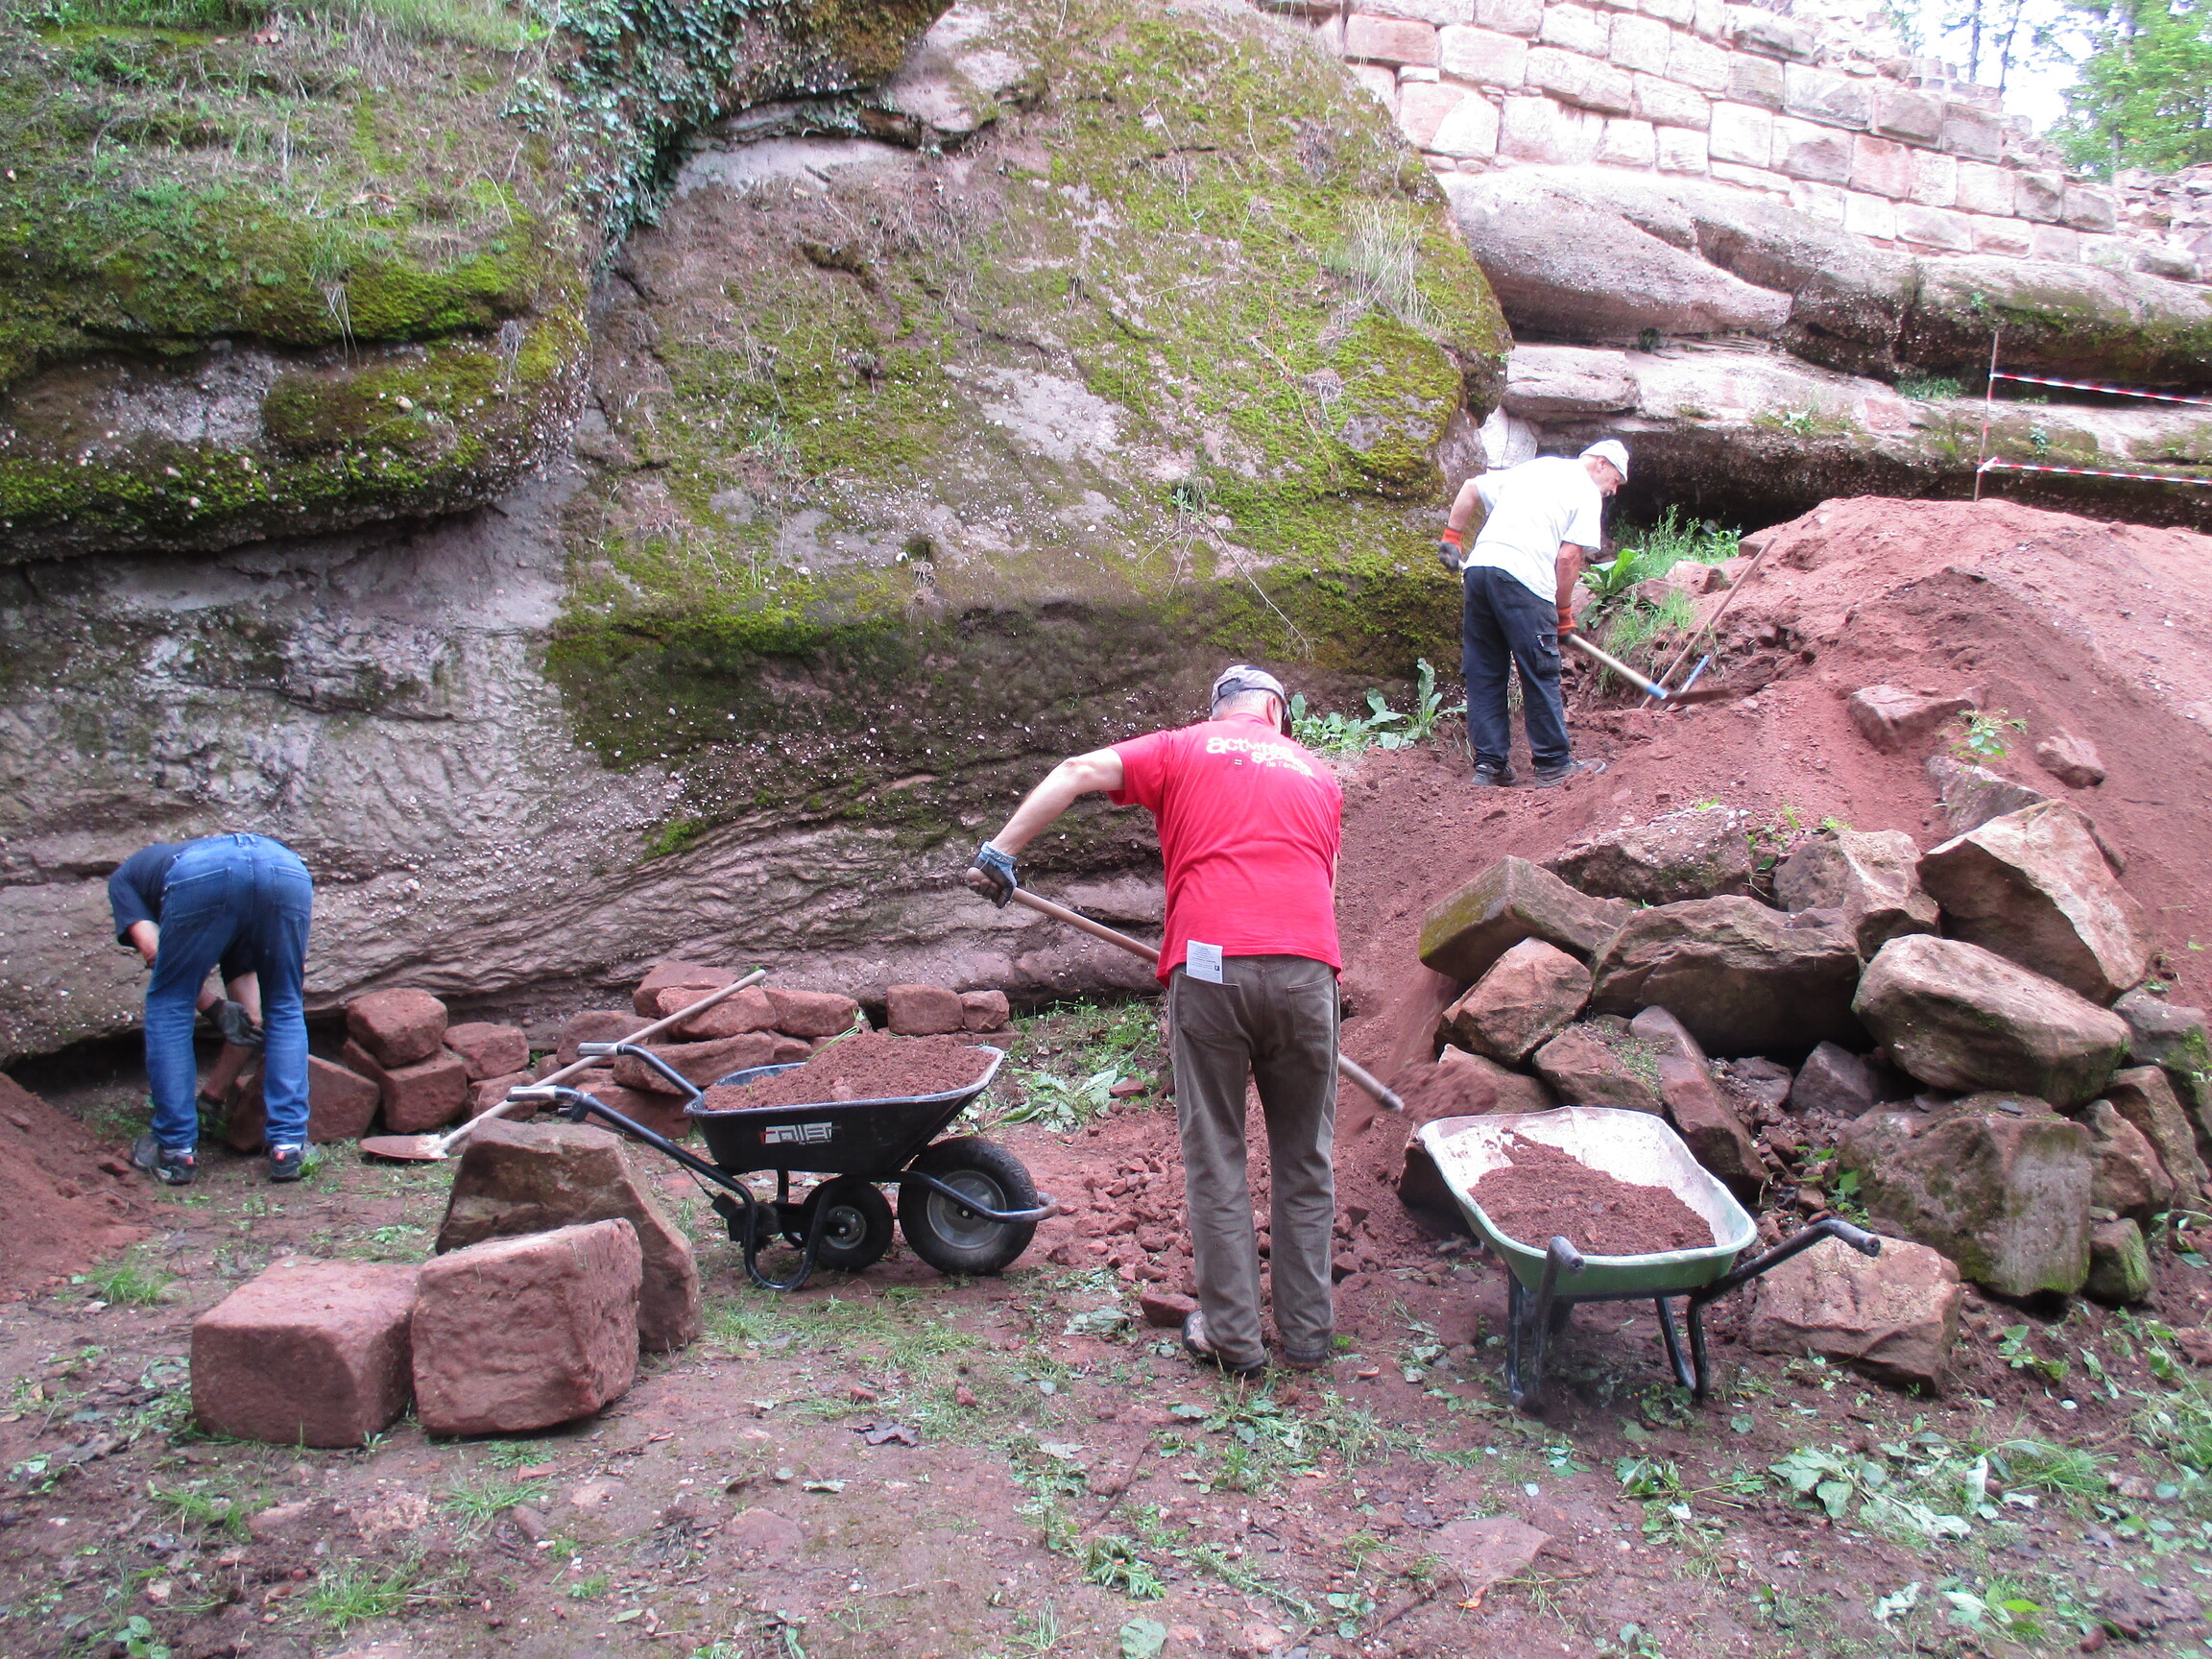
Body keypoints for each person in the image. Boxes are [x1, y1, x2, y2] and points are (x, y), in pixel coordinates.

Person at [971, 666, 1344, 1378]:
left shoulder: (1181, 747)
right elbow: (1325, 885)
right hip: (1307, 968)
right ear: (1276, 712)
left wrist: (1000, 852)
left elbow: (1077, 771)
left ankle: (1234, 1339)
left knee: (1218, 1153)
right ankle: (1308, 1336)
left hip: (1210, 966)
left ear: (1220, 709)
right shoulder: (1320, 775)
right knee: (1306, 1158)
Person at [108, 834, 315, 1185]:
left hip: (203, 877)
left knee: (170, 1001)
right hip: (283, 868)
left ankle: (175, 1150)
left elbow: (156, 954)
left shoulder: (123, 880)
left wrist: (213, 1010)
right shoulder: (231, 900)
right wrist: (215, 1007)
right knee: (284, 1003)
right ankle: (289, 1147)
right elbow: (252, 1015)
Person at [1436, 438, 1628, 788]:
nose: (1614, 490)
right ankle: (1553, 764)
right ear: (1601, 463)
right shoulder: (1586, 491)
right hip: (1523, 579)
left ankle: (1490, 765)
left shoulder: (1536, 468)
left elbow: (1470, 488)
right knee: (1540, 669)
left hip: (1479, 572)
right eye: (1616, 480)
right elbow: (1568, 558)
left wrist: (1452, 537)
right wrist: (1563, 612)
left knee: (1485, 670)